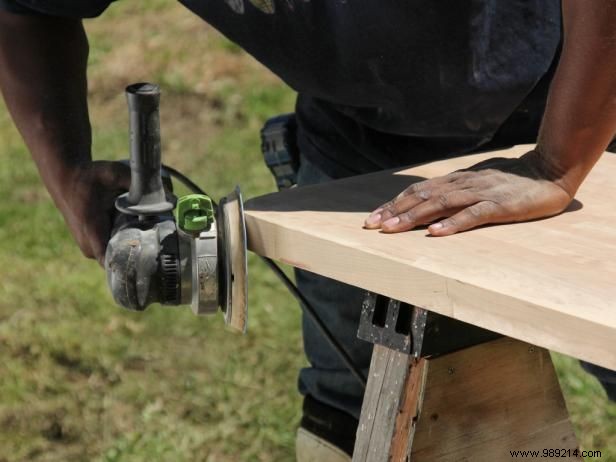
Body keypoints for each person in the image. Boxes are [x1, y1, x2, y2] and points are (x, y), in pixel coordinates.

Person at [0, 1, 615, 460]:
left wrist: (558, 161)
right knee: (366, 407)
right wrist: (67, 172)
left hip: (591, 85)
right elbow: (24, 8)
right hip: (365, 133)